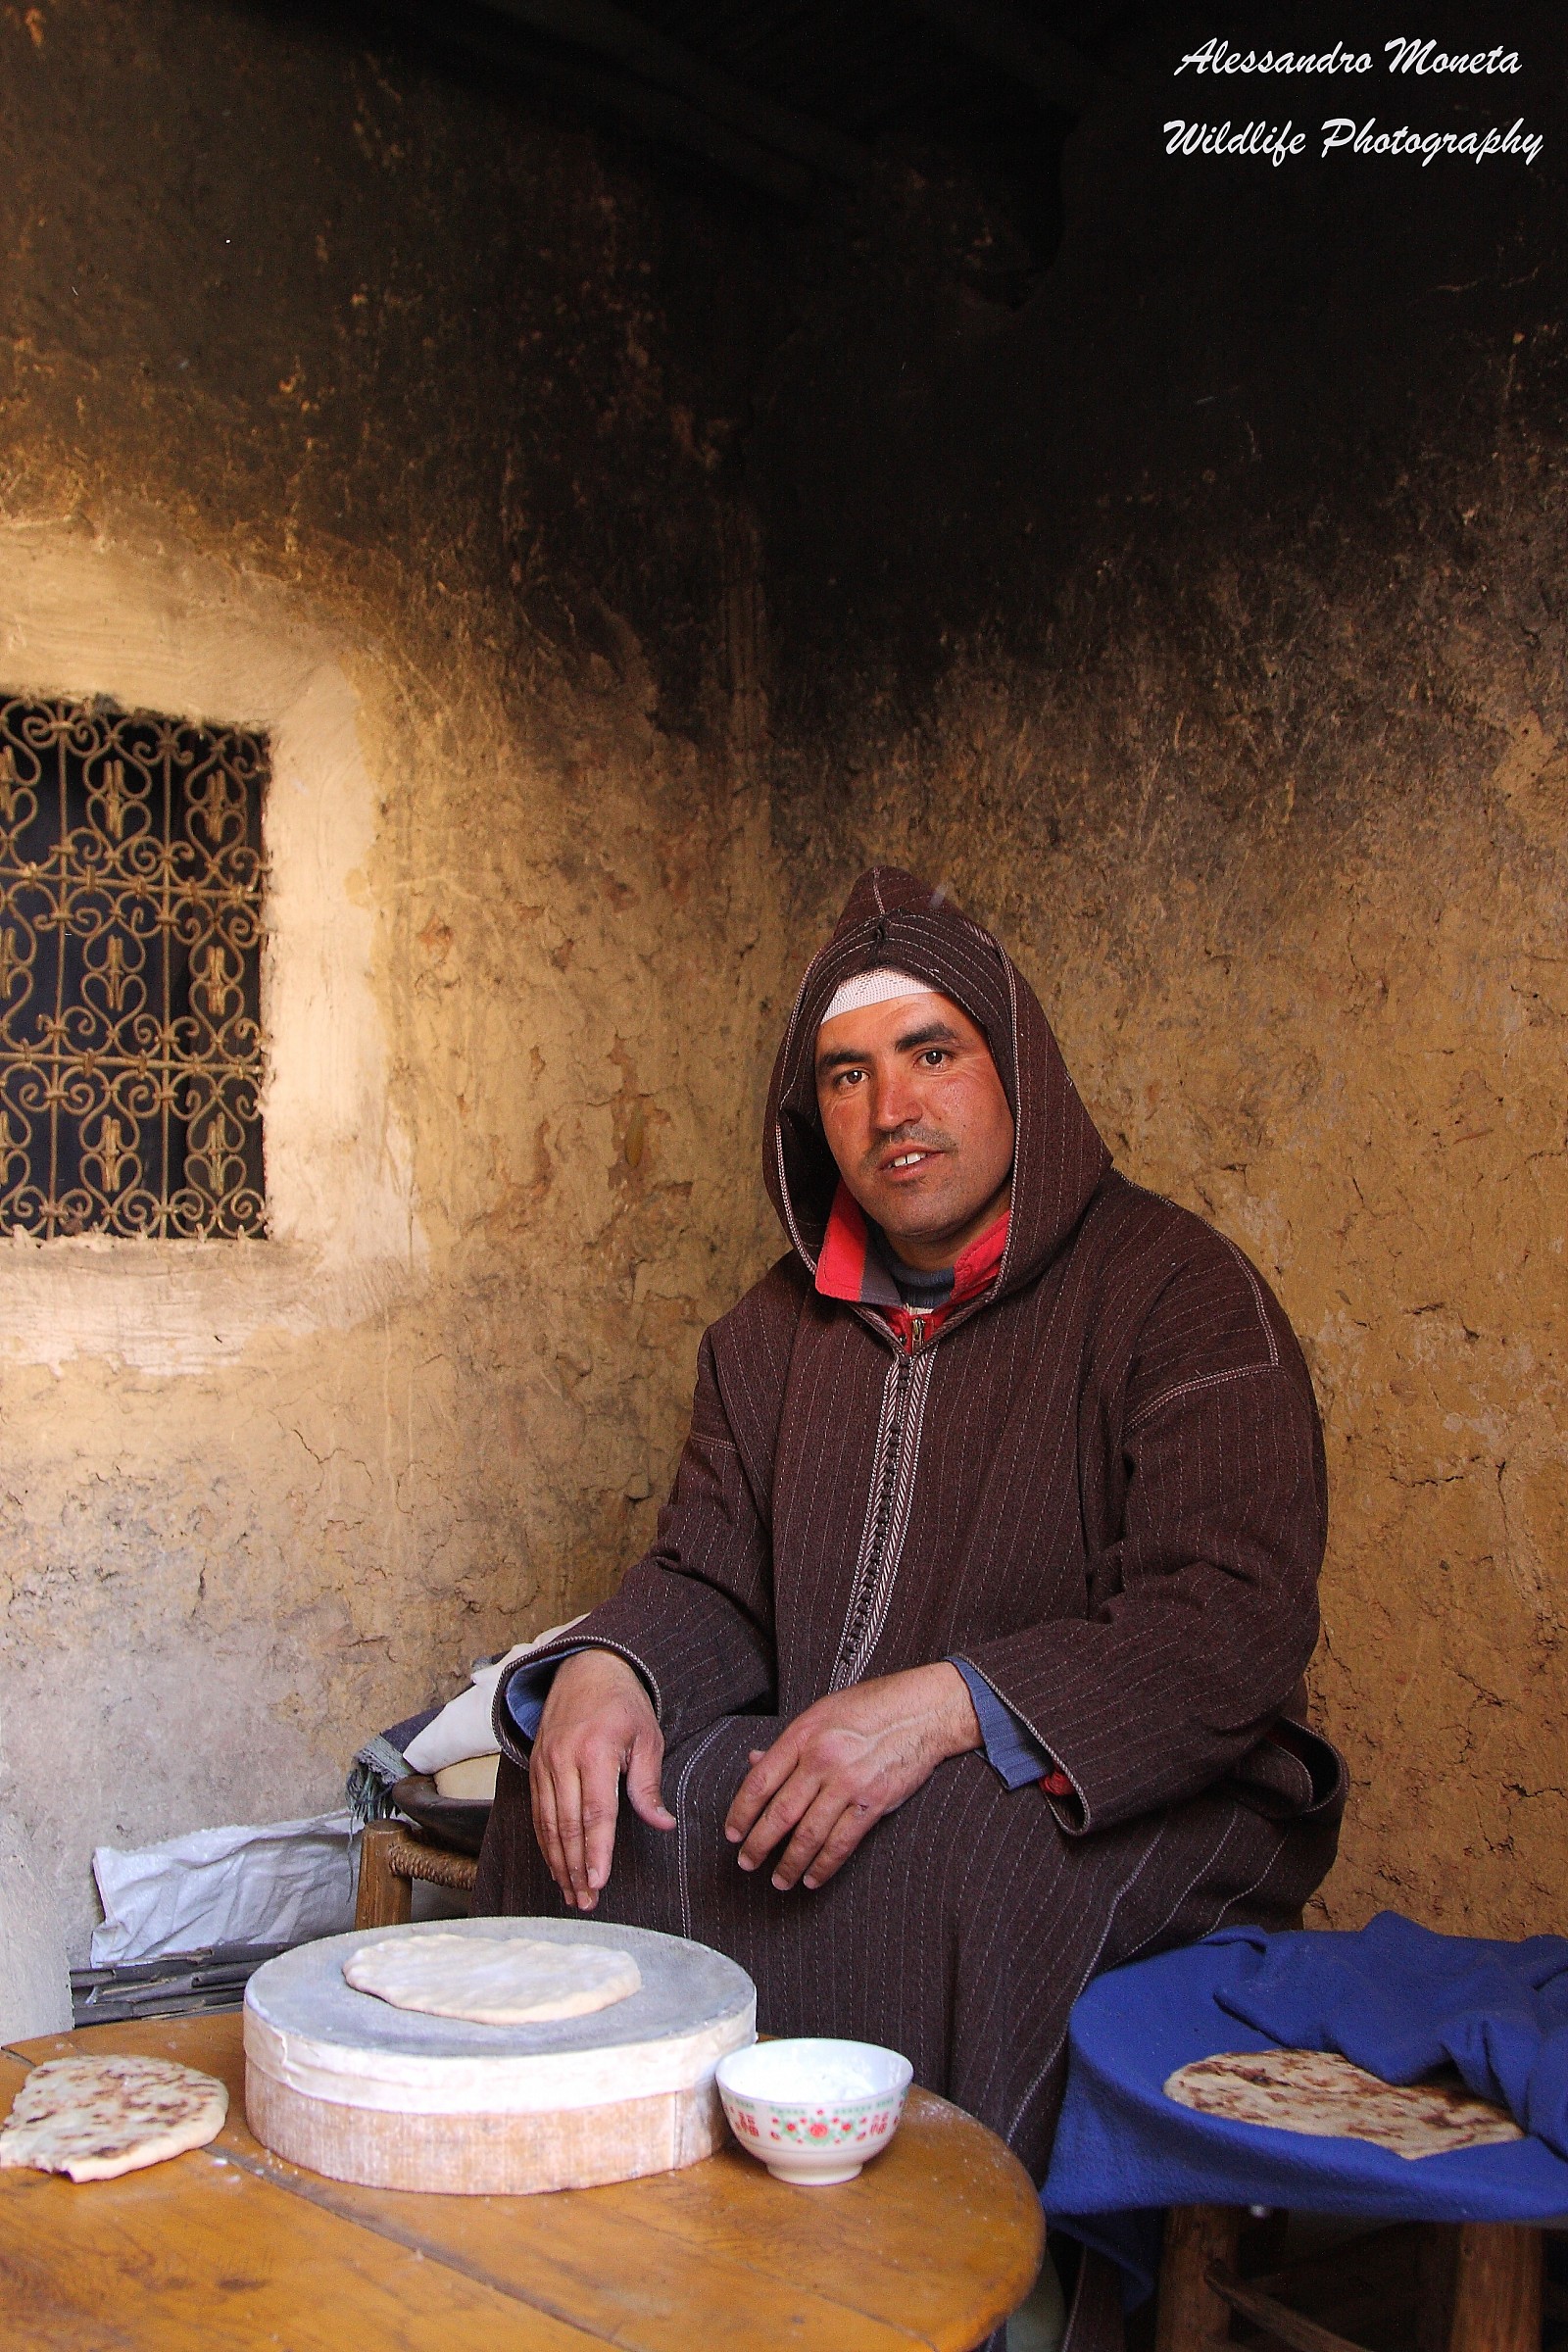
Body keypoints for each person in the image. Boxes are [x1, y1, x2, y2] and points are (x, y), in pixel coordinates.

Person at [474, 865, 1345, 2191]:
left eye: (931, 1053)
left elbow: (1232, 1616)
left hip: (1145, 1793)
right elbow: (712, 1576)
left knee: (953, 1863)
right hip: (845, 1768)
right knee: (565, 1802)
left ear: (1018, 1074)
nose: (892, 1110)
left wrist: (949, 1708)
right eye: (845, 1075)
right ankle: (603, 2249)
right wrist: (608, 1671)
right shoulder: (768, 1334)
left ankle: (974, 2301)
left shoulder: (1180, 1296)